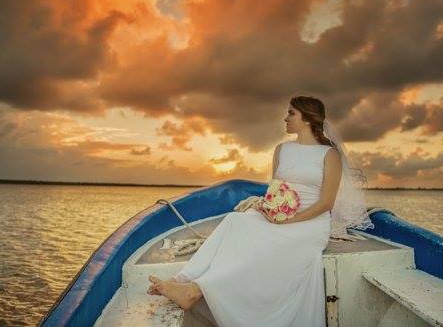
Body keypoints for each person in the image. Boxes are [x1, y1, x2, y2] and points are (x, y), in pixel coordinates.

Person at [146, 95, 373, 326]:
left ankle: (195, 290)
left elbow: (326, 203)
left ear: (307, 119)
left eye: (291, 113)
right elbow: (275, 190)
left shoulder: (329, 154)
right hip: (281, 217)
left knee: (265, 242)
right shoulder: (281, 149)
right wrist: (269, 209)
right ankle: (183, 279)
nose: (285, 118)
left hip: (310, 224)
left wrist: (288, 221)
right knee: (236, 221)